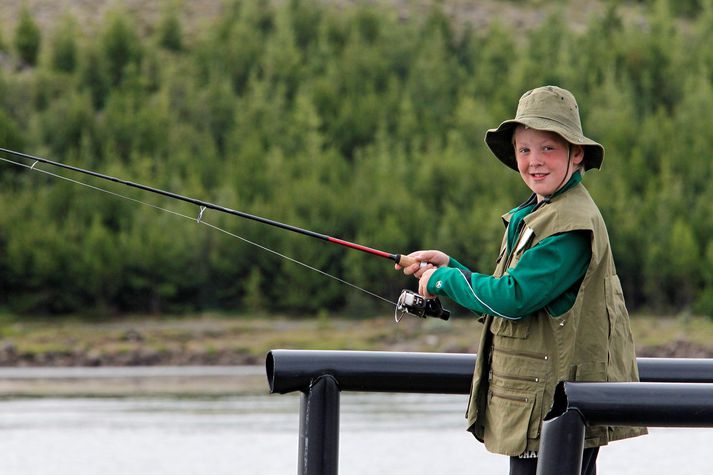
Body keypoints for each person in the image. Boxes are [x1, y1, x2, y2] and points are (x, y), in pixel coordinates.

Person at [397, 85, 646, 474]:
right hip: (545, 406)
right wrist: (453, 267)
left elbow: (513, 298)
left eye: (548, 148)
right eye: (524, 150)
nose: (534, 162)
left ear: (575, 154)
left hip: (551, 408)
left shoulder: (569, 226)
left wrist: (444, 281)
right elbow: (513, 294)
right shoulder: (545, 211)